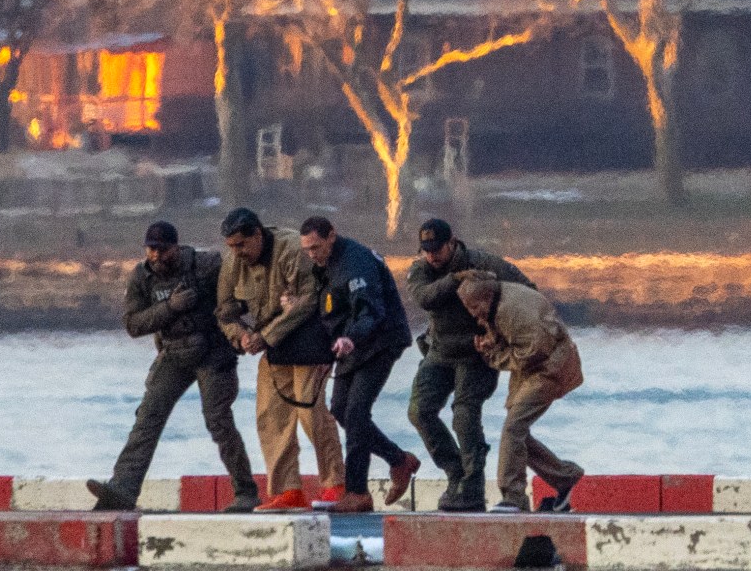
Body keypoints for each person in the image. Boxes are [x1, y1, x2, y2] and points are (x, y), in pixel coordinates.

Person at [88, 221, 260, 513]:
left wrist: (231, 313)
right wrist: (171, 308)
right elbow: (133, 324)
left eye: (163, 249)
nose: (156, 256)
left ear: (176, 247)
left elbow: (243, 294)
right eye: (151, 249)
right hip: (174, 353)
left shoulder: (206, 266)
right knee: (147, 418)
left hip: (213, 352)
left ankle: (246, 491)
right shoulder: (142, 278)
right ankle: (122, 489)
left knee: (217, 420)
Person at [216, 208, 346, 511]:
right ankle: (287, 491)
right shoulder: (232, 263)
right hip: (272, 350)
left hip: (309, 340)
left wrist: (267, 335)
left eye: (241, 245)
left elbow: (309, 298)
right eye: (231, 246)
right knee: (270, 416)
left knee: (310, 411)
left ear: (258, 235)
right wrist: (241, 335)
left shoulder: (291, 249)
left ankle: (336, 483)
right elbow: (222, 311)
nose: (237, 252)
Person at [406, 218, 536, 511]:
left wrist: (498, 329)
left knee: (464, 415)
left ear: (452, 243)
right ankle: (455, 473)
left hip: (477, 355)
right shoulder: (421, 270)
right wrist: (455, 280)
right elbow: (425, 298)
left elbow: (527, 291)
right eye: (426, 250)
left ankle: (473, 485)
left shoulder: (483, 263)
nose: (431, 256)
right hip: (439, 351)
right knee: (419, 411)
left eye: (437, 249)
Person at [298, 217, 421, 513]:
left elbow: (370, 310)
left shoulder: (356, 262)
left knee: (356, 412)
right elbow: (329, 309)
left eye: (316, 247)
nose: (312, 255)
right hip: (351, 345)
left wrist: (351, 338)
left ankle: (357, 492)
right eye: (307, 250)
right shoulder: (323, 265)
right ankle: (398, 459)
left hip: (380, 340)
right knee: (339, 408)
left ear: (332, 236)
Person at [457, 278, 585, 513]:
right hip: (532, 368)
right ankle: (564, 477)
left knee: (513, 428)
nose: (475, 316)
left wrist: (492, 355)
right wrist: (491, 341)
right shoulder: (498, 301)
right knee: (517, 433)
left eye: (475, 308)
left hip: (549, 368)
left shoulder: (513, 311)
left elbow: (533, 350)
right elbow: (514, 337)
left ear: (486, 299)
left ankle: (513, 496)